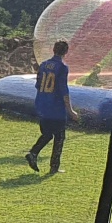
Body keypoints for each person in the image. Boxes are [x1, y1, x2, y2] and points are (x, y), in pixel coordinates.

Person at [28, 40, 77, 171]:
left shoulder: (43, 65)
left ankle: (33, 153)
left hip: (42, 104)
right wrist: (71, 110)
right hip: (56, 108)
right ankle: (54, 166)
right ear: (66, 52)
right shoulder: (62, 67)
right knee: (59, 137)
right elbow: (64, 90)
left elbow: (38, 85)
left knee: (47, 134)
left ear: (53, 50)